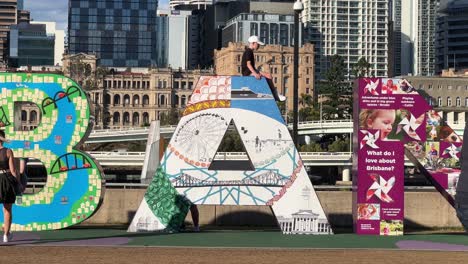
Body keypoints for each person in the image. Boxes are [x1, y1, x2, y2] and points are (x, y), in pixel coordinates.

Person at [241, 35, 286, 102]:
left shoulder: (250, 51)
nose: (259, 46)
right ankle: (274, 94)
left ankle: (275, 94)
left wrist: (256, 72)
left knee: (268, 75)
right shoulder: (248, 51)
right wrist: (255, 73)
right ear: (253, 43)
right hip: (247, 72)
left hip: (250, 71)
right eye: (258, 44)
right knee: (266, 76)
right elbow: (248, 64)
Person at [0, 130, 20, 243]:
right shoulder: (8, 151)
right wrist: (18, 182)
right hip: (6, 180)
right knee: (7, 209)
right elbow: (13, 170)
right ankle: (6, 235)